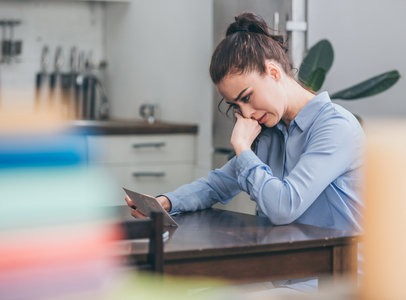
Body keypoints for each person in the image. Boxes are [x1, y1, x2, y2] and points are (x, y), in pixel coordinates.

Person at [125, 11, 365, 293]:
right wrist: (166, 202)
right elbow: (217, 185)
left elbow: (284, 206)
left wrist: (242, 147)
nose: (246, 113)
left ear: (274, 72)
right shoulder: (272, 133)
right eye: (237, 106)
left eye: (247, 97)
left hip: (334, 280)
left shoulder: (335, 127)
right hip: (284, 272)